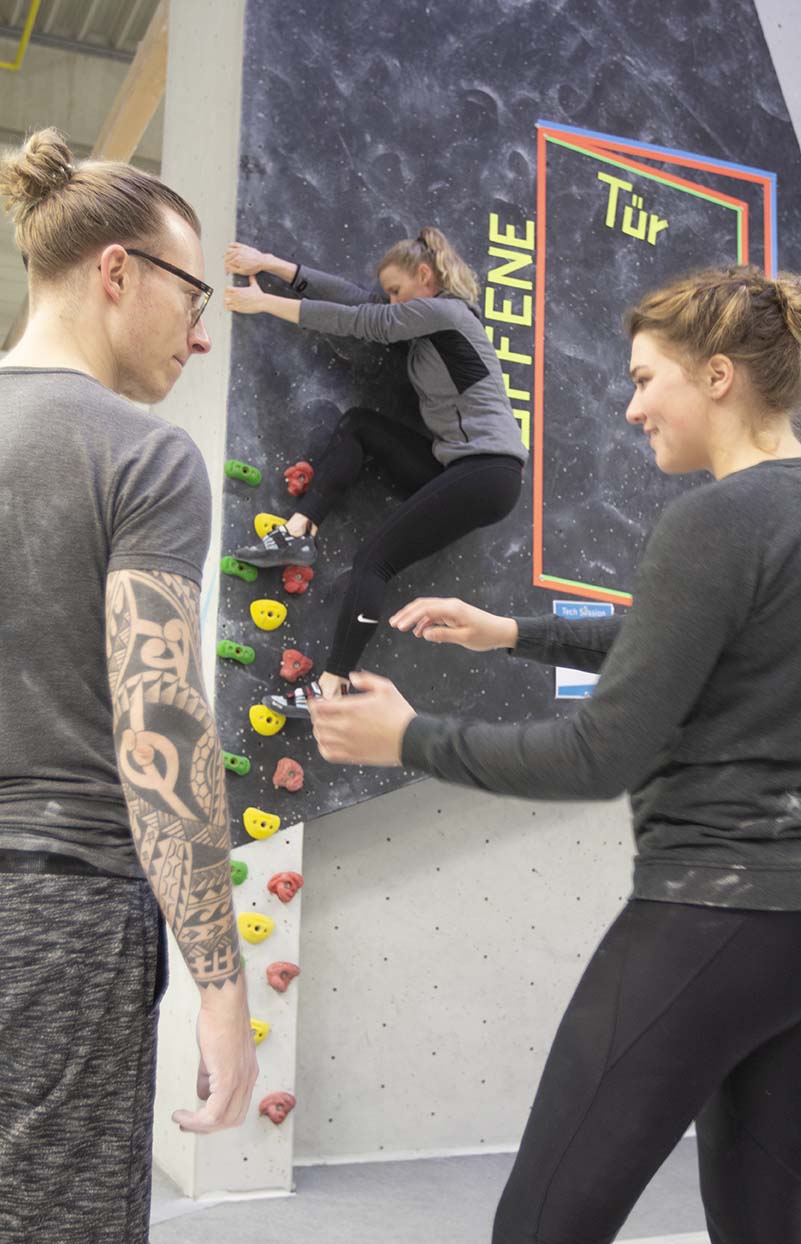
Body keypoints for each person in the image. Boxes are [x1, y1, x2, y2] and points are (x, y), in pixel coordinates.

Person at [307, 265, 801, 1243]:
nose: (630, 406)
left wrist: (405, 736)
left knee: (541, 1225)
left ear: (717, 375)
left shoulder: (715, 519)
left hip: (706, 913)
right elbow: (699, 629)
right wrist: (513, 631)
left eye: (642, 379)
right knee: (766, 1227)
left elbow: (599, 754)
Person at [0, 128, 258, 1244]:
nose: (199, 334)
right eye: (191, 293)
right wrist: (220, 981)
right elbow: (161, 721)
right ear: (117, 272)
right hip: (61, 909)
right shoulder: (142, 457)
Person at [223, 227, 527, 717]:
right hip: (453, 465)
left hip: (487, 471)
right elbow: (354, 300)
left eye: (396, 290)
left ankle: (331, 686)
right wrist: (272, 264)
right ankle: (300, 531)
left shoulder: (446, 313)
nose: (390, 300)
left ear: (425, 277)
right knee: (361, 427)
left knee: (373, 562)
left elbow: (362, 319)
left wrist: (264, 304)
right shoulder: (421, 319)